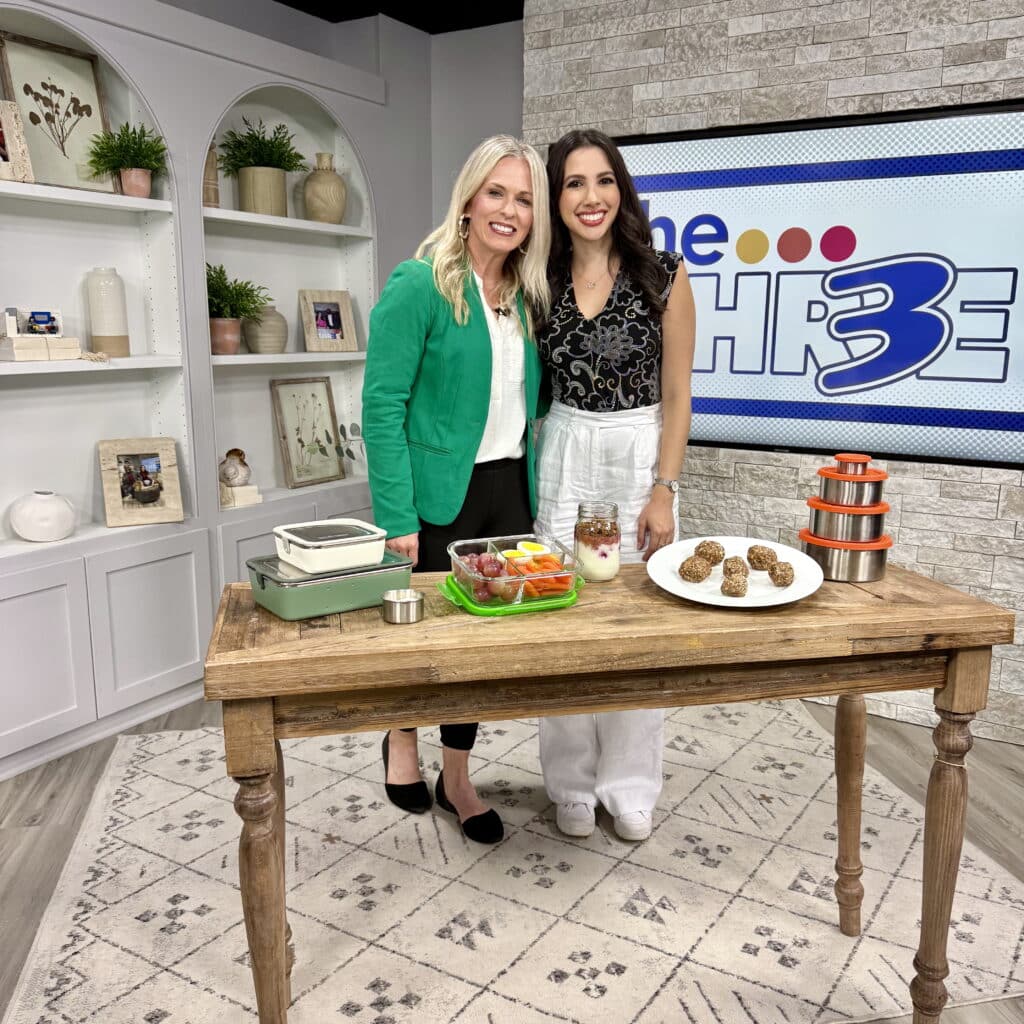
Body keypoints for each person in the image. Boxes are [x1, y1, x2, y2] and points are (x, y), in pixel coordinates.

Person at [362, 135, 551, 845]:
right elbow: (381, 407)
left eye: (524, 199)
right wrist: (395, 516)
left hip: (508, 492)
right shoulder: (421, 284)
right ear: (470, 198)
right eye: (497, 192)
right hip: (437, 494)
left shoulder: (527, 296)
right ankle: (400, 739)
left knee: (479, 652)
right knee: (422, 644)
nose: (509, 209)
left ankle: (458, 776)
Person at [534, 129, 696, 842]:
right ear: (556, 197)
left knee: (637, 627)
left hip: (639, 449)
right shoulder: (537, 279)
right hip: (565, 446)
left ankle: (630, 784)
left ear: (622, 190)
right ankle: (569, 781)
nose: (590, 197)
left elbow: (681, 393)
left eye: (604, 181)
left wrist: (664, 487)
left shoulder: (663, 273)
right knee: (561, 619)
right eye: (573, 183)